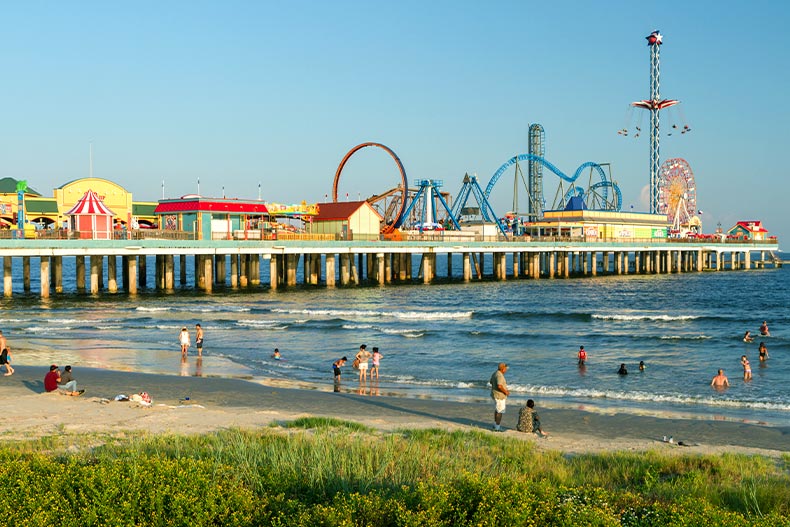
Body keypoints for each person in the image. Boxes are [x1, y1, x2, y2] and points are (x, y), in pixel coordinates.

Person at [489, 363, 510, 432]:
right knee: (500, 411)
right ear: (503, 369)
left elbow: (491, 382)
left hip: (495, 394)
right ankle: (497, 428)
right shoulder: (500, 375)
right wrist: (505, 392)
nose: (506, 370)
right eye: (505, 369)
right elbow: (499, 386)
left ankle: (495, 424)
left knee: (497, 410)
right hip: (499, 396)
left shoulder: (495, 373)